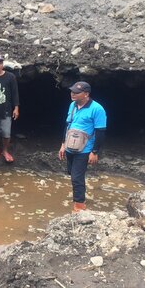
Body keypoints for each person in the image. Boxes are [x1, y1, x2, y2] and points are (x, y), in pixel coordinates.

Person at [58, 81, 107, 213]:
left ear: (86, 94)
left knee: (76, 177)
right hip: (70, 146)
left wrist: (95, 152)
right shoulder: (72, 106)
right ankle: (80, 195)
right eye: (72, 91)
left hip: (85, 149)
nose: (72, 94)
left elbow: (100, 132)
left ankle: (79, 206)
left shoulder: (97, 109)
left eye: (76, 92)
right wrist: (63, 144)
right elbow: (67, 125)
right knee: (72, 173)